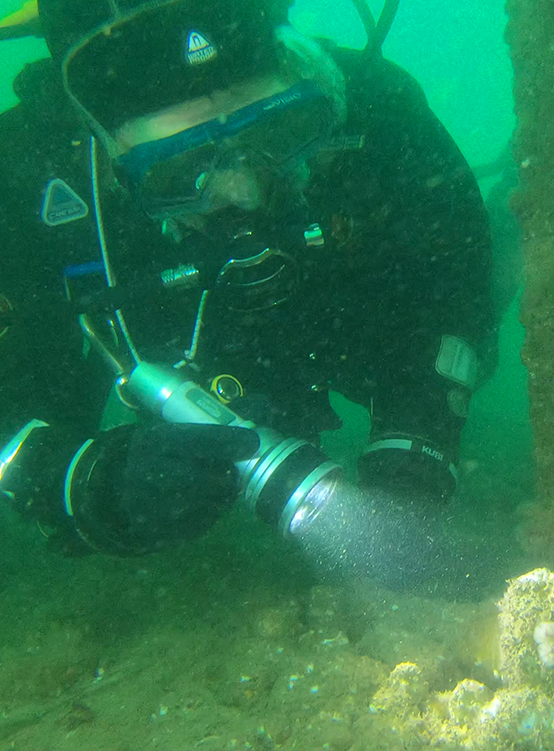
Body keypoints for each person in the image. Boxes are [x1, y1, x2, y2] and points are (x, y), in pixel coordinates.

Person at [0, 0, 497, 558]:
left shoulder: (373, 104)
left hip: (352, 323)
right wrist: (84, 481)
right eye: (181, 170)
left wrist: (421, 429)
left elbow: (460, 271)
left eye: (279, 133)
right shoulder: (20, 183)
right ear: (107, 156)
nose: (246, 192)